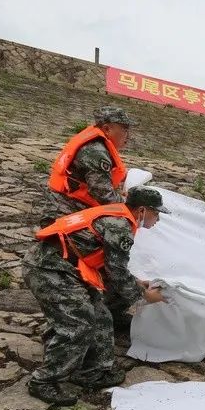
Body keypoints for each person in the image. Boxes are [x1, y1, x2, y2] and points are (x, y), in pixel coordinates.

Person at [24, 187, 168, 406]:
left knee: (101, 316)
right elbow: (116, 274)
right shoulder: (120, 226)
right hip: (49, 268)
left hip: (68, 267)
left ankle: (91, 371)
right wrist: (145, 295)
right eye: (156, 213)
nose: (157, 219)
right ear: (142, 210)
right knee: (77, 324)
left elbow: (112, 267)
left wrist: (137, 283)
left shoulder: (119, 214)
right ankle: (44, 381)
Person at [41, 106, 136, 332]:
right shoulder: (95, 152)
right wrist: (128, 212)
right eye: (123, 130)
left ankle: (105, 313)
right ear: (107, 128)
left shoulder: (98, 146)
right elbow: (103, 195)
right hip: (66, 214)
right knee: (78, 269)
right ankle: (73, 321)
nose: (127, 136)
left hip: (75, 211)